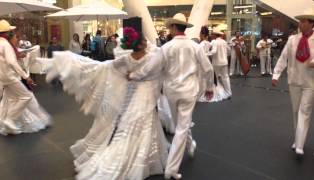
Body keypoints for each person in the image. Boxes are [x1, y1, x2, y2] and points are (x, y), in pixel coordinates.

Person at [44, 27, 168, 179]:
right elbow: (153, 70)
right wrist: (135, 76)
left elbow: (106, 67)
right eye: (144, 41)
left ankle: (141, 156)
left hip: (134, 95)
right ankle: (144, 159)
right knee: (145, 124)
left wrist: (82, 64)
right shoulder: (151, 57)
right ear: (142, 43)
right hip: (145, 94)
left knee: (136, 124)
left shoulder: (127, 59)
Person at [129, 13, 214, 179]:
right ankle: (190, 145)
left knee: (180, 126)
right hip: (189, 92)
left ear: (175, 27)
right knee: (181, 126)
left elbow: (152, 68)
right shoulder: (195, 46)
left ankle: (171, 169)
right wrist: (209, 87)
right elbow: (208, 69)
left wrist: (134, 75)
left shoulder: (165, 48)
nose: (169, 29)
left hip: (172, 92)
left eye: (170, 27)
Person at [272, 11, 314, 156]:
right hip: (294, 80)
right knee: (295, 111)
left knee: (304, 111)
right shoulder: (292, 39)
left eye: (304, 21)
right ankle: (297, 139)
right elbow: (283, 57)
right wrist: (276, 74)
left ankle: (299, 145)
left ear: (312, 24)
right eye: (300, 21)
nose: (301, 24)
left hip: (311, 82)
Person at [0, 19, 51, 135]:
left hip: (3, 78)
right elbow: (12, 62)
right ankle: (10, 119)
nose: (13, 36)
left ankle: (8, 122)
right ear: (7, 33)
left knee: (12, 100)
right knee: (26, 97)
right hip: (10, 77)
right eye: (11, 32)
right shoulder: (5, 44)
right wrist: (26, 77)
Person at [210, 28, 232, 100]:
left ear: (215, 35)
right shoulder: (224, 42)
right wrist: (225, 56)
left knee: (215, 78)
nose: (211, 35)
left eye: (212, 34)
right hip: (224, 62)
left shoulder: (215, 42)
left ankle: (217, 93)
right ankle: (229, 93)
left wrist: (205, 54)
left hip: (216, 63)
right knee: (225, 77)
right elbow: (229, 50)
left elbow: (214, 51)